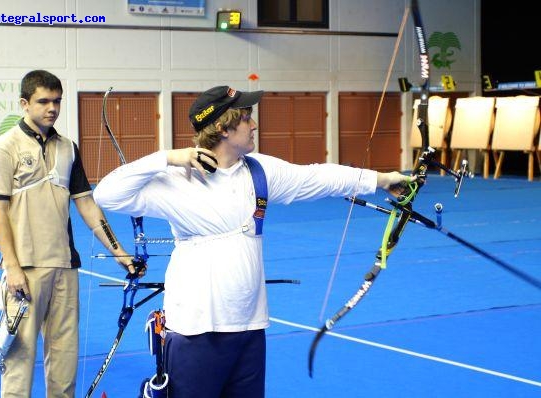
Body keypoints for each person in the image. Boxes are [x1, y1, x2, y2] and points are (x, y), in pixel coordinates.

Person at [93, 85, 411, 397]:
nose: (254, 123)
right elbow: (106, 193)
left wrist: (381, 180)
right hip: (197, 330)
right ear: (223, 127)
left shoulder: (259, 171)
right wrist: (168, 158)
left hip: (249, 328)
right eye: (247, 117)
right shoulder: (177, 180)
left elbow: (317, 177)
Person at [0, 70, 140, 398]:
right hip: (25, 269)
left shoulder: (68, 148)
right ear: (24, 104)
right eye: (43, 101)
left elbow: (87, 205)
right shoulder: (4, 148)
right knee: (18, 360)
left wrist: (121, 254)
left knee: (65, 359)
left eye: (57, 101)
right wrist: (12, 268)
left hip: (65, 267)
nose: (52, 108)